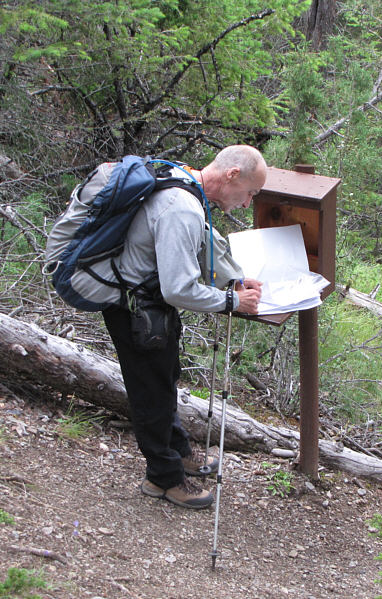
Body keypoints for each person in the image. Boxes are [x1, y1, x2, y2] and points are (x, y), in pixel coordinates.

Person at [101, 145, 267, 509]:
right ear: (232, 176)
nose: (246, 204)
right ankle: (163, 479)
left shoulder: (188, 182)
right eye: (250, 194)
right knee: (152, 392)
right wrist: (232, 302)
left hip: (148, 303)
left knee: (165, 378)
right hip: (135, 308)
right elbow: (178, 289)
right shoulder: (182, 208)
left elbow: (204, 243)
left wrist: (235, 280)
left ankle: (177, 451)